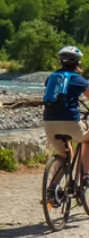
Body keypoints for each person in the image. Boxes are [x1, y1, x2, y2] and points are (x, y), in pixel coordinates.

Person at [43, 45, 89, 186]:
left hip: (49, 125)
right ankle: (86, 175)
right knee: (87, 140)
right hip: (71, 124)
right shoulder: (78, 80)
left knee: (64, 154)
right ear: (78, 63)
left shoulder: (51, 77)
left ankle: (52, 190)